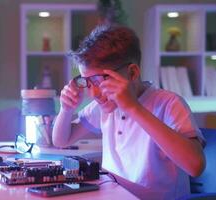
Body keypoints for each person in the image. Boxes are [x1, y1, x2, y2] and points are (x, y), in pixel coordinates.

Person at [52, 25, 206, 200]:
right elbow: (61, 140)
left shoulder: (169, 104)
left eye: (100, 80)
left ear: (132, 73)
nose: (93, 93)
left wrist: (133, 108)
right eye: (87, 82)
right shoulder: (102, 107)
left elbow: (195, 166)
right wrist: (66, 110)